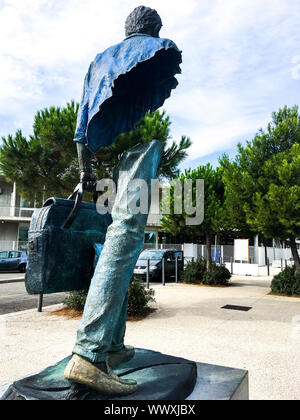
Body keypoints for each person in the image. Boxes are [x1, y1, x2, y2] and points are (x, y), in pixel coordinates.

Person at [64, 6, 182, 396]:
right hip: (132, 154)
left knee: (122, 240)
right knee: (125, 238)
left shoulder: (99, 61)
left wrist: (85, 171)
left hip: (109, 154)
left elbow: (81, 127)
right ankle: (89, 352)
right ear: (154, 29)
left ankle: (111, 346)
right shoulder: (159, 49)